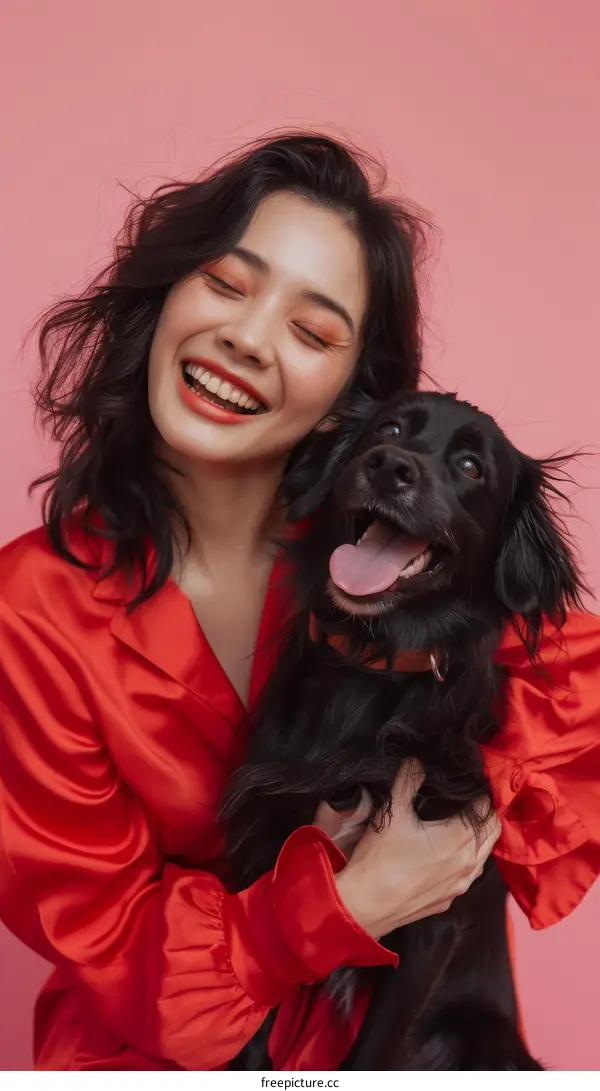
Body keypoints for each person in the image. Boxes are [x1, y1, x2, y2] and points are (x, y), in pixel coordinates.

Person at [0, 133, 598, 1072]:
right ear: (163, 297)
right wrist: (352, 899)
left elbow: (560, 679)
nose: (246, 338)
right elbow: (110, 940)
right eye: (224, 284)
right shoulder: (32, 608)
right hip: (162, 1053)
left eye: (313, 332)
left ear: (352, 396)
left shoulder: (399, 565)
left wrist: (463, 801)